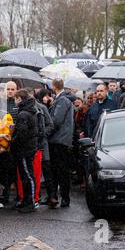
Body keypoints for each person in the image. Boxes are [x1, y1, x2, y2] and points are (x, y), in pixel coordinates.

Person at [48, 79, 75, 208]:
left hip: (59, 140)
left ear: (54, 86)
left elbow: (56, 121)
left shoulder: (62, 100)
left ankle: (64, 197)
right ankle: (56, 196)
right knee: (58, 169)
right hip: (61, 139)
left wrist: (47, 131)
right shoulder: (62, 99)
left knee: (61, 170)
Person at [26, 87, 54, 209]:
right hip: (30, 146)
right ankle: (33, 197)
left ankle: (52, 196)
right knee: (32, 172)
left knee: (46, 169)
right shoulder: (25, 110)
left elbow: (50, 124)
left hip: (42, 144)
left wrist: (42, 134)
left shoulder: (41, 108)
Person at [11, 89, 38, 213]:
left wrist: (13, 141)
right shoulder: (29, 111)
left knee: (27, 176)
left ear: (19, 99)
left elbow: (22, 133)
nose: (15, 101)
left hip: (24, 149)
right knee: (26, 176)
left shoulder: (23, 114)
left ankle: (30, 202)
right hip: (28, 148)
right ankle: (27, 201)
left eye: (16, 98)